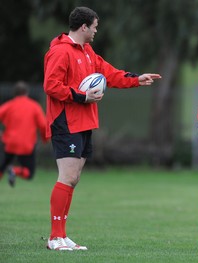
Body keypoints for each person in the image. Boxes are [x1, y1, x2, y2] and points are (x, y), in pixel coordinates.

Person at [43, 6, 161, 251]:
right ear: (84, 26)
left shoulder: (88, 52)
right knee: (67, 177)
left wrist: (136, 79)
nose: (97, 30)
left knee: (73, 179)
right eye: (95, 26)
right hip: (66, 121)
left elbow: (109, 73)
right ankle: (55, 237)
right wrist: (81, 96)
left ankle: (62, 236)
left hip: (85, 122)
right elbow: (51, 85)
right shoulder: (61, 52)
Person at [0, 81, 47, 187]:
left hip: (9, 143)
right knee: (29, 173)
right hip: (26, 145)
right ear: (26, 93)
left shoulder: (9, 105)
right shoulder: (34, 106)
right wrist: (45, 139)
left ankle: (8, 169)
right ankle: (14, 171)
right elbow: (43, 125)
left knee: (1, 167)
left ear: (14, 93)